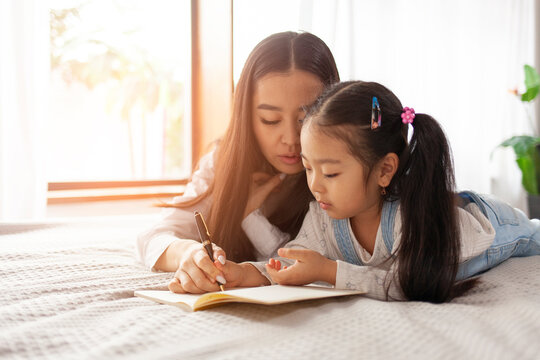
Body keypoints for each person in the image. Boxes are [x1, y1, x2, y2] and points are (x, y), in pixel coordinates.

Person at [214, 80, 540, 303]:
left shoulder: (407, 218)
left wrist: (329, 271)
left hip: (491, 226)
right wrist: (243, 273)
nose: (314, 184)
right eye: (308, 167)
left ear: (384, 170)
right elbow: (292, 262)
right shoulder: (324, 215)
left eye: (330, 172)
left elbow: (408, 284)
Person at [136, 31, 340, 294]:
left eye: (305, 119)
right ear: (246, 115)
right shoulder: (224, 162)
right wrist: (190, 253)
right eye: (270, 120)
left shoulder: (347, 169)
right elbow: (153, 237)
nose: (291, 139)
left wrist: (250, 218)